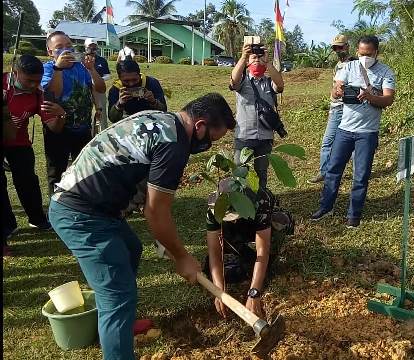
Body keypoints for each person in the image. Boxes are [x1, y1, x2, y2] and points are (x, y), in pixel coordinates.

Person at [48, 93, 236, 360]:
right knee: (117, 293)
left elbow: (145, 195)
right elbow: (156, 211)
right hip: (81, 214)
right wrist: (182, 257)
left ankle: (120, 325)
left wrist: (169, 246)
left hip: (99, 208)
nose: (206, 146)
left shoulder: (162, 119)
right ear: (201, 126)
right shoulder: (174, 144)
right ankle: (117, 333)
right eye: (210, 140)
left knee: (131, 248)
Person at [310, 35, 396, 228]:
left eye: (369, 54)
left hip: (367, 132)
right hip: (344, 129)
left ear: (376, 52)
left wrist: (370, 97)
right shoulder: (348, 67)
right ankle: (325, 206)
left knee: (361, 175)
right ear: (357, 51)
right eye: (361, 53)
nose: (365, 57)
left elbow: (389, 99)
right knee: (333, 170)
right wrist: (337, 90)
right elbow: (334, 91)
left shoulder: (386, 72)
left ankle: (354, 215)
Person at [2, 55, 66, 256]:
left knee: (28, 180)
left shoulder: (38, 94)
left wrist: (61, 114)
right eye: (29, 80)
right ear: (15, 73)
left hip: (18, 143)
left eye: (37, 81)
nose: (34, 85)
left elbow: (54, 128)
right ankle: (7, 225)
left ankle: (37, 218)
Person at [41, 31, 106, 197]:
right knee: (56, 171)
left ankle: (82, 204)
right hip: (58, 129)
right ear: (50, 52)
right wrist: (58, 68)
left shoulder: (81, 67)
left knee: (85, 169)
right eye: (59, 47)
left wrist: (91, 70)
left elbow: (100, 88)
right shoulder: (48, 69)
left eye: (69, 46)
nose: (66, 50)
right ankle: (56, 208)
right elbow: (54, 93)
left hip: (83, 128)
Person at [203, 187, 278, 318]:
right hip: (236, 232)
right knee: (213, 270)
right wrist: (219, 291)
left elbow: (262, 251)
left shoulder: (260, 201)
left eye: (233, 216)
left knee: (270, 262)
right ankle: (242, 252)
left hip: (259, 224)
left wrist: (254, 292)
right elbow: (214, 251)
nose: (232, 220)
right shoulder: (214, 208)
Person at [230, 43, 284, 190]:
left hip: (265, 137)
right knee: (240, 171)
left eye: (260, 58)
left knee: (262, 171)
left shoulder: (268, 82)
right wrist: (242, 57)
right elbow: (233, 81)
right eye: (253, 58)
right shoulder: (243, 81)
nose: (257, 61)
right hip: (244, 136)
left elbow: (280, 85)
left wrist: (268, 63)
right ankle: (240, 201)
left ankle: (260, 199)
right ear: (248, 62)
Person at [308, 34, 357, 184]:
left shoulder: (355, 63)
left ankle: (358, 174)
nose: (338, 50)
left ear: (347, 46)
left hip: (350, 107)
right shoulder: (337, 65)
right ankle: (324, 171)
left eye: (340, 47)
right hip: (335, 107)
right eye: (335, 48)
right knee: (327, 141)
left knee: (354, 142)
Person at [85, 38, 111, 132]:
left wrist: (97, 80)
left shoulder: (102, 60)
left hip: (99, 89)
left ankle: (103, 132)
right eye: (90, 47)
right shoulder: (81, 60)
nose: (92, 49)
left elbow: (108, 75)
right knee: (87, 113)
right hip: (85, 90)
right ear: (86, 47)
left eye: (94, 47)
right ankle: (90, 133)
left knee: (102, 113)